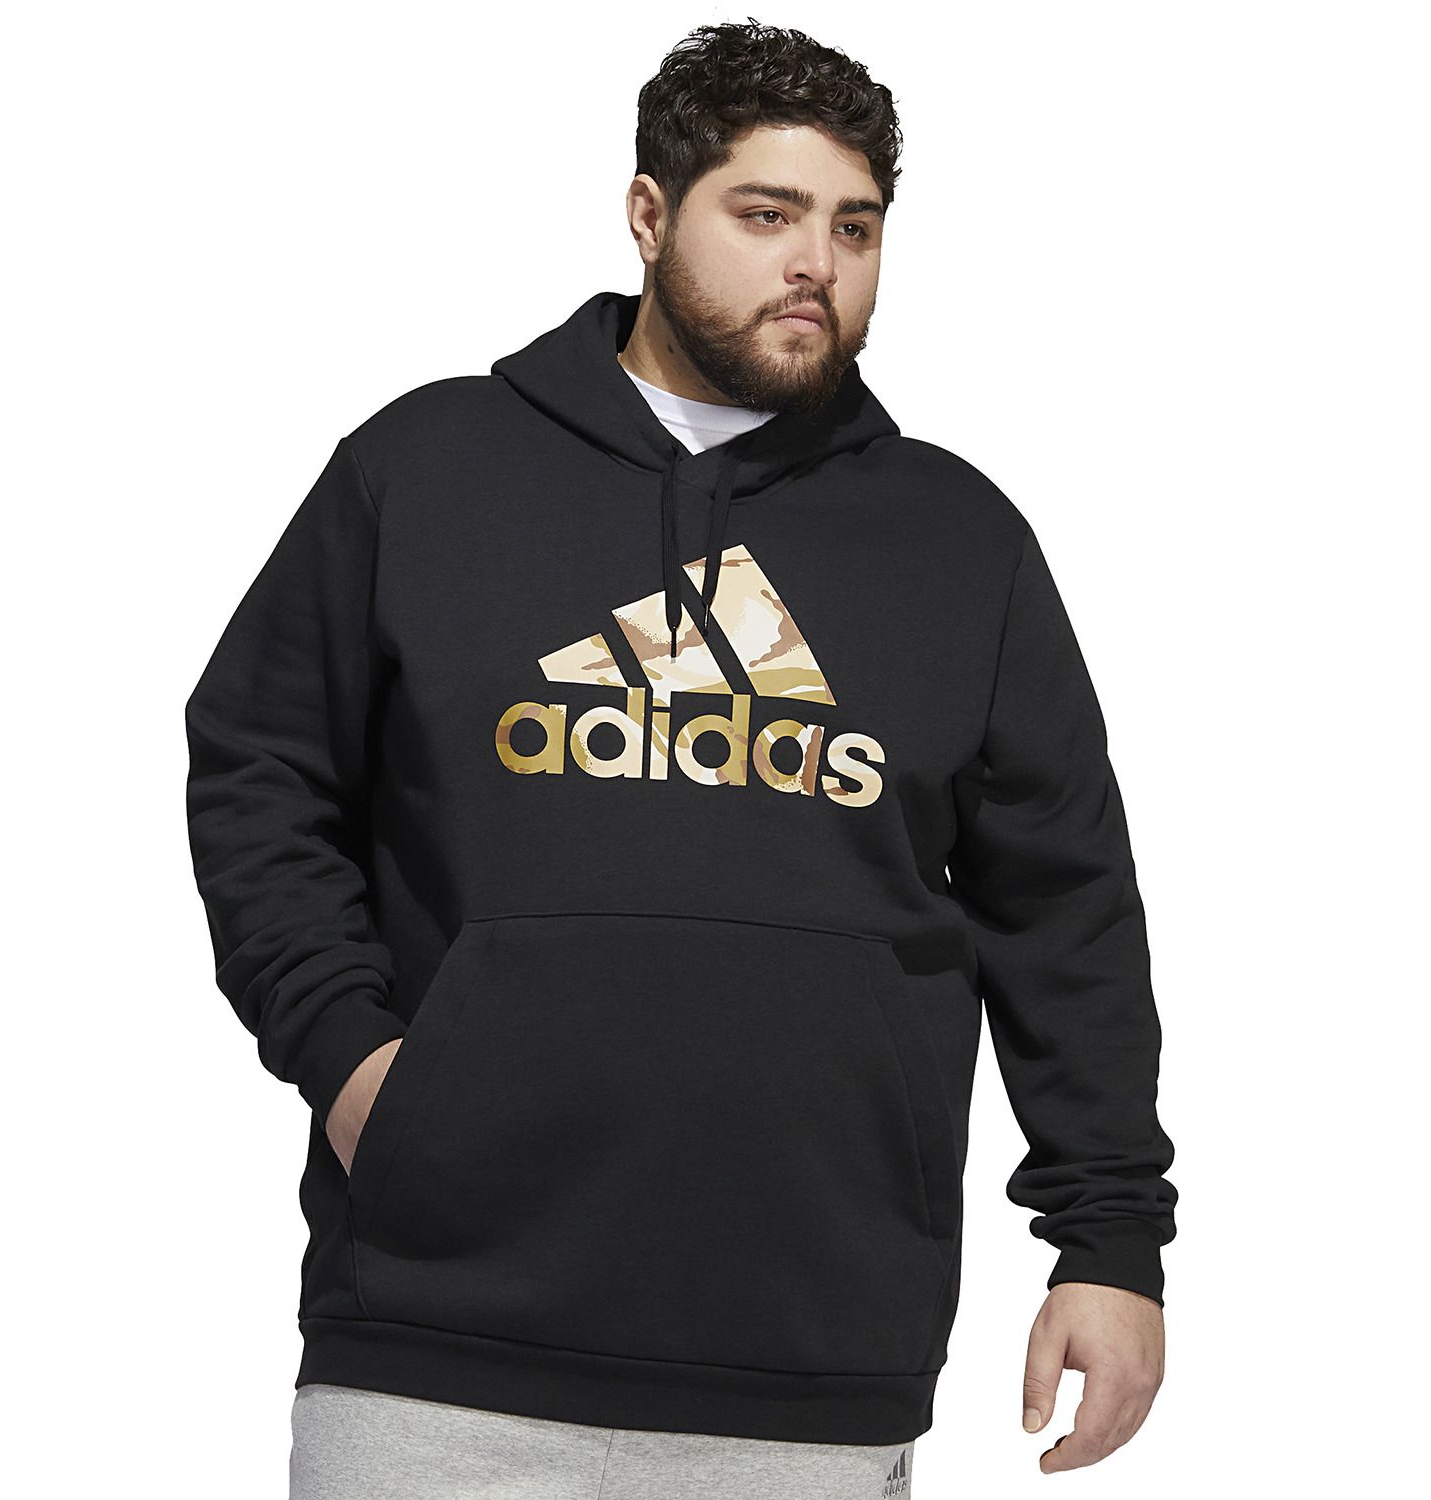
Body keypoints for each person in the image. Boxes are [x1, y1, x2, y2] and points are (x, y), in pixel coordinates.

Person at [184, 19, 1178, 1497]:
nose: (817, 264)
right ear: (649, 214)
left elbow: (1065, 907)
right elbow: (260, 774)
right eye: (766, 215)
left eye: (854, 227)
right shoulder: (428, 470)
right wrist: (354, 1062)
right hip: (439, 1345)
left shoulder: (957, 542)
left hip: (812, 1360)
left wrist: (1110, 1244)